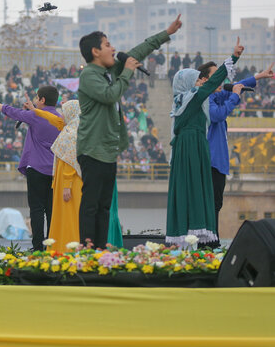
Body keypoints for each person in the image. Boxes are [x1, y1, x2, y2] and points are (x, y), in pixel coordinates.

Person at [76, 14, 182, 249]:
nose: (113, 48)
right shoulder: (89, 76)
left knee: (104, 205)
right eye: (107, 44)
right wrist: (127, 72)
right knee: (91, 203)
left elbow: (138, 51)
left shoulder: (108, 71)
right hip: (92, 149)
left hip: (107, 149)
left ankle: (101, 249)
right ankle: (87, 247)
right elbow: (110, 95)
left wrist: (166, 34)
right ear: (95, 51)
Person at [166, 39, 244, 247]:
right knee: (195, 192)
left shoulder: (186, 100)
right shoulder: (191, 98)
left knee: (198, 194)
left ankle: (198, 238)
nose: (201, 83)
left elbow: (216, 87)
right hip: (192, 149)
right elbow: (212, 83)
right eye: (197, 80)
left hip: (195, 148)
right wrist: (233, 58)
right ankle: (197, 240)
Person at [202, 60, 274, 239]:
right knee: (211, 205)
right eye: (215, 76)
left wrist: (259, 76)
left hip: (218, 163)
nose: (220, 81)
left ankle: (212, 240)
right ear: (204, 80)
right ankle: (209, 242)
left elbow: (236, 86)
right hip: (211, 162)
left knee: (216, 205)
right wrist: (234, 96)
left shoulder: (216, 95)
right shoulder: (206, 99)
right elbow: (218, 115)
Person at [0, 86, 60, 251]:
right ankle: (51, 247)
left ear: (42, 100)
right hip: (55, 170)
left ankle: (37, 247)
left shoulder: (35, 116)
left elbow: (11, 112)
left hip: (36, 168)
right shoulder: (60, 118)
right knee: (51, 211)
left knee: (36, 210)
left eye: (36, 97)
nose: (34, 100)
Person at [31, 100, 82, 252]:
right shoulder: (72, 127)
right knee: (62, 217)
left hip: (70, 183)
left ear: (71, 113)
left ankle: (68, 250)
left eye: (64, 111)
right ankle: (60, 248)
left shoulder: (72, 134)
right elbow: (54, 120)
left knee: (69, 219)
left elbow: (70, 161)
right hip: (66, 182)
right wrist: (35, 111)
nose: (61, 115)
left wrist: (67, 185)